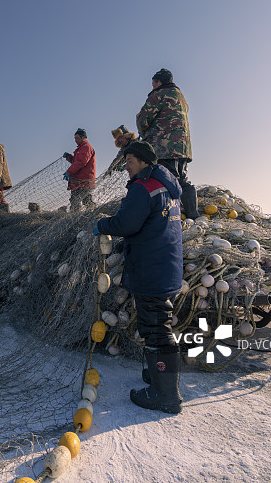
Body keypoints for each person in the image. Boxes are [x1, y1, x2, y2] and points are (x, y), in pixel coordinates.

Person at [93, 141, 184, 414]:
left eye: (130, 160)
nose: (126, 166)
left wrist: (102, 224)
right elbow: (152, 223)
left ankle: (165, 395)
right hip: (166, 263)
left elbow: (127, 223)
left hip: (151, 267)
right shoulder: (168, 185)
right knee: (158, 321)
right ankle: (156, 376)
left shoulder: (143, 187)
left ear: (144, 161)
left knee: (156, 328)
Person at [136, 68, 199, 218]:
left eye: (153, 84)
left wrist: (143, 132)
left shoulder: (158, 95)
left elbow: (143, 119)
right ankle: (193, 214)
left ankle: (169, 215)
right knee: (182, 179)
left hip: (164, 146)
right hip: (183, 148)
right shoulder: (181, 97)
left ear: (159, 82)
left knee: (165, 179)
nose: (152, 87)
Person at [63, 128, 96, 212]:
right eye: (74, 138)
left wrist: (69, 172)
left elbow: (81, 162)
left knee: (85, 200)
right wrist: (69, 157)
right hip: (78, 181)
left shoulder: (86, 147)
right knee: (75, 200)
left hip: (84, 180)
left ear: (83, 137)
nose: (75, 140)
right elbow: (76, 161)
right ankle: (75, 218)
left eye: (77, 138)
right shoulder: (81, 148)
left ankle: (92, 214)